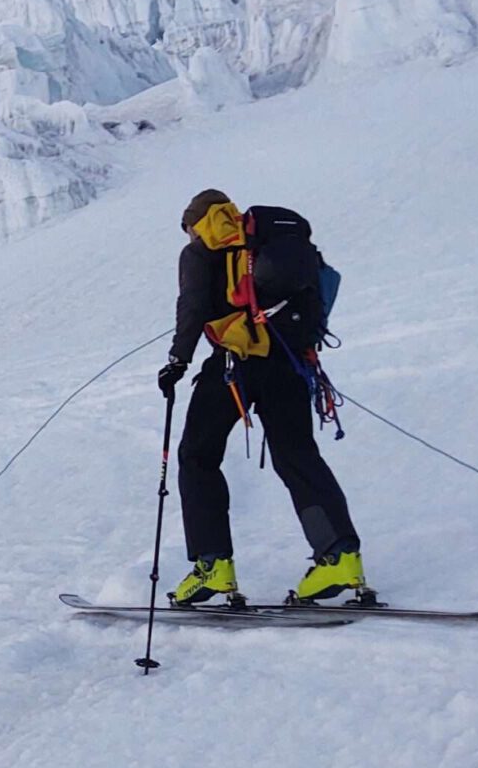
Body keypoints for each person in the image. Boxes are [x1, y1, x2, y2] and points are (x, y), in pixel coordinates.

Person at [157, 189, 366, 607]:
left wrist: (177, 362)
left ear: (194, 221)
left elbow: (193, 307)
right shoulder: (265, 236)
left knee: (198, 455)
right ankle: (339, 557)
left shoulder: (201, 249)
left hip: (235, 365)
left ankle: (213, 567)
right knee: (298, 456)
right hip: (290, 360)